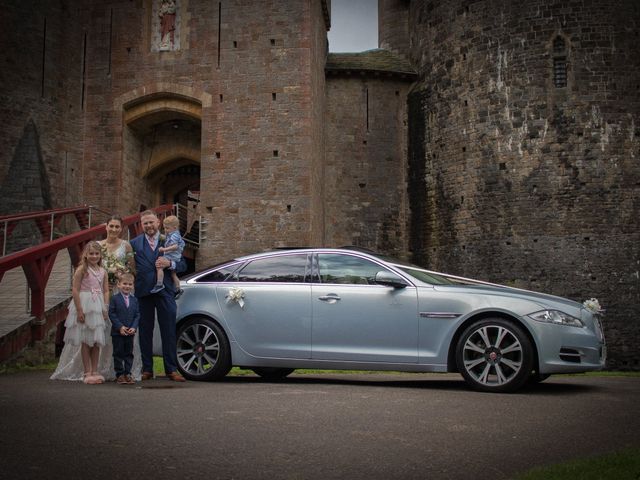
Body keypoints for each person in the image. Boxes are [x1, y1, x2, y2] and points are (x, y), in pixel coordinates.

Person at [130, 210, 185, 382]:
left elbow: (183, 264)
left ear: (158, 223)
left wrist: (170, 263)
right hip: (143, 292)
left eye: (151, 222)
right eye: (145, 223)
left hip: (165, 290)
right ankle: (147, 368)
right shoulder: (134, 243)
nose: (149, 226)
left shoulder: (171, 238)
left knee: (168, 329)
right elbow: (130, 267)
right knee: (145, 330)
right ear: (141, 225)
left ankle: (171, 369)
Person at [51, 241, 109, 385]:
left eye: (97, 254)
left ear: (100, 255)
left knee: (96, 341)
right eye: (91, 254)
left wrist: (105, 307)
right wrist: (79, 310)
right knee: (85, 340)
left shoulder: (103, 271)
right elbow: (75, 290)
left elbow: (106, 290)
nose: (94, 256)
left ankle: (95, 370)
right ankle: (87, 371)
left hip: (98, 304)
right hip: (85, 303)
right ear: (86, 255)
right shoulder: (81, 270)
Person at [109, 273, 140, 385]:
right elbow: (112, 314)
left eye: (129, 284)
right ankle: (120, 374)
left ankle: (128, 373)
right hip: (118, 333)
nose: (127, 286)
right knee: (118, 353)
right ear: (119, 285)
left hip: (130, 332)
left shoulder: (134, 300)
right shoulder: (114, 299)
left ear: (133, 286)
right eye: (124, 284)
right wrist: (120, 327)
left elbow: (137, 315)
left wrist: (133, 327)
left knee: (128, 353)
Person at [150, 215, 185, 297]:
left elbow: (175, 246)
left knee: (159, 265)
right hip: (175, 256)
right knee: (173, 274)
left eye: (167, 228)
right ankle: (178, 289)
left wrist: (164, 249)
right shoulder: (173, 234)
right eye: (165, 228)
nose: (165, 230)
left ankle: (159, 284)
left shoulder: (175, 235)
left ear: (175, 227)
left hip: (172, 256)